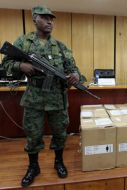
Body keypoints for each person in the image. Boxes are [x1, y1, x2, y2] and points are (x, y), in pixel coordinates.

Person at [2, 5, 82, 187]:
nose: (49, 21)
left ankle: (58, 162)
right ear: (35, 19)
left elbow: (73, 69)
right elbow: (6, 63)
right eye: (45, 18)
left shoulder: (61, 47)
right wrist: (20, 67)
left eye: (52, 19)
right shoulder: (24, 42)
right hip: (34, 98)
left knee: (60, 132)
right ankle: (33, 167)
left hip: (57, 98)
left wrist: (75, 76)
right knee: (33, 134)